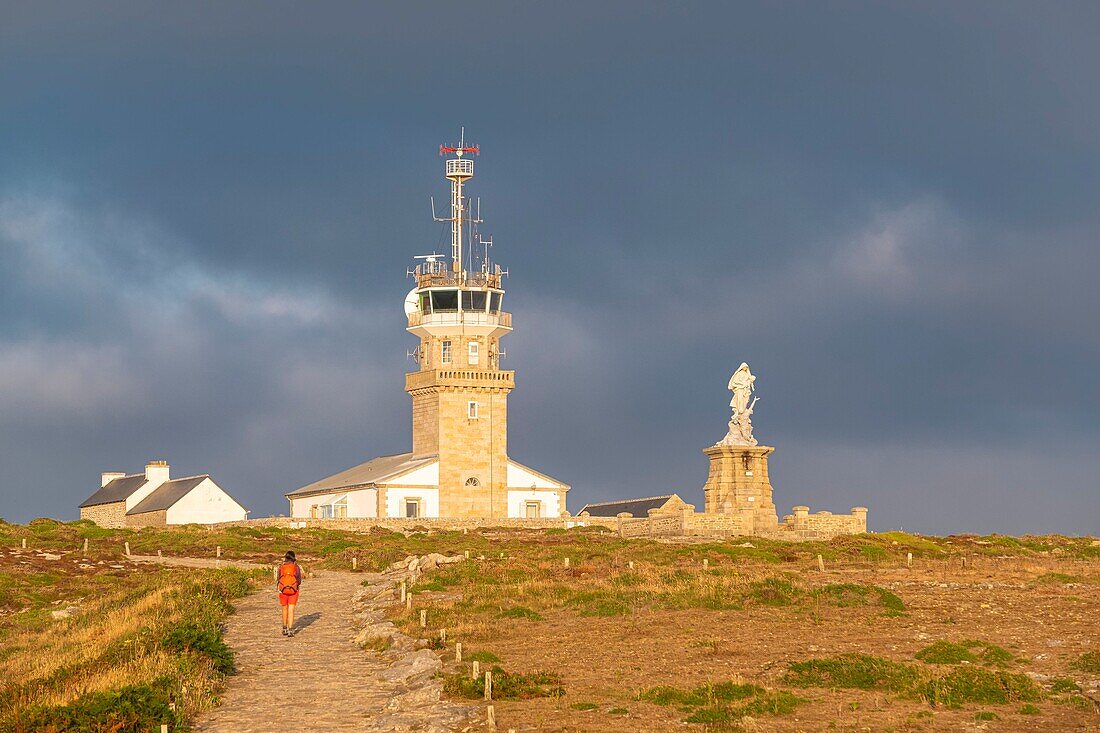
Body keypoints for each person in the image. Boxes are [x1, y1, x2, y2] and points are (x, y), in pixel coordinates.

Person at [277, 550, 303, 636]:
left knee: (284, 608)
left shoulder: (281, 567)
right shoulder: (296, 567)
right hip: (293, 591)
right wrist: (294, 585)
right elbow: (299, 580)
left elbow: (278, 578)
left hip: (283, 590)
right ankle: (290, 630)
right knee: (291, 609)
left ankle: (284, 628)